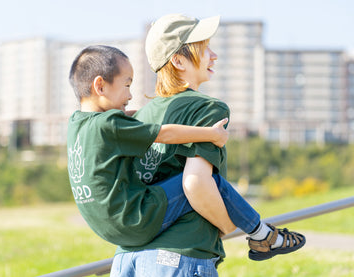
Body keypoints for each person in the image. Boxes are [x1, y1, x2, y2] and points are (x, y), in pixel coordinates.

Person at [111, 14, 306, 276]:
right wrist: (230, 227)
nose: (213, 56)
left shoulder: (141, 117)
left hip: (127, 259)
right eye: (204, 49)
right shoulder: (207, 109)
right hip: (179, 257)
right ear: (178, 61)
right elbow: (196, 183)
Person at [67, 45, 232, 247]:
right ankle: (253, 229)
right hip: (137, 218)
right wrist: (211, 134)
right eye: (127, 85)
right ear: (100, 86)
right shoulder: (109, 125)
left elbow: (123, 120)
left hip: (109, 230)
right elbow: (165, 133)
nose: (129, 96)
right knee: (206, 180)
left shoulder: (77, 123)